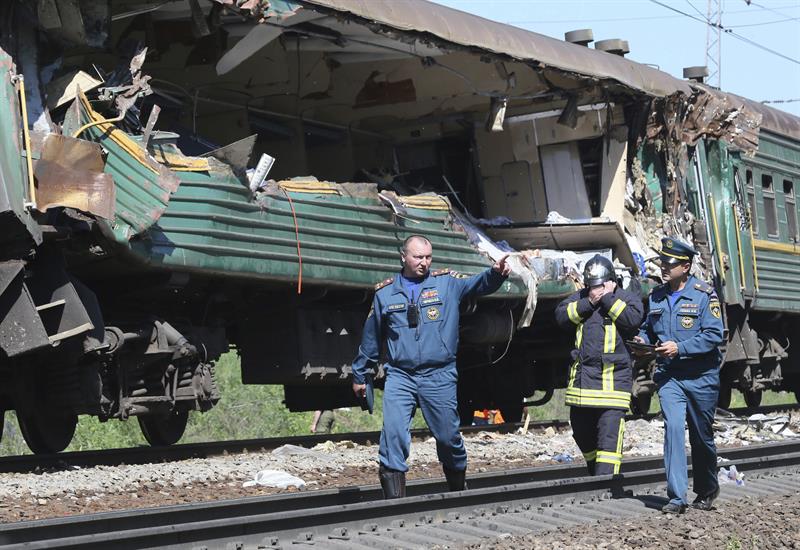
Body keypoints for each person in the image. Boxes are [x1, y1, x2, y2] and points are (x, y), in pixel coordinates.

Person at [351, 235, 511, 499]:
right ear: (403, 257)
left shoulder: (446, 283)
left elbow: (477, 284)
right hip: (400, 375)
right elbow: (371, 337)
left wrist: (496, 274)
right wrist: (360, 374)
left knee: (448, 439)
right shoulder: (385, 293)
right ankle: (394, 507)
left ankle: (458, 491)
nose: (424, 263)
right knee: (392, 437)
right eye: (418, 257)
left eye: (428, 257)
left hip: (439, 374)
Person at [634, 237, 724, 514]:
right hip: (670, 376)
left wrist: (680, 347)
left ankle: (708, 488)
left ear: (685, 267)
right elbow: (651, 328)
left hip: (701, 377)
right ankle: (676, 497)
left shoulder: (704, 294)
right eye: (662, 261)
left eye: (669, 263)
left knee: (701, 436)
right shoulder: (656, 296)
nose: (663, 266)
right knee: (673, 428)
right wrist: (641, 339)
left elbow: (713, 334)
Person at [555, 254, 644, 476]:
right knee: (582, 434)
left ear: (610, 282)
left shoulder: (627, 298)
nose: (595, 289)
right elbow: (561, 316)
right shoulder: (581, 299)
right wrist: (589, 302)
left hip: (613, 386)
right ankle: (594, 472)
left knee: (608, 442)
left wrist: (607, 299)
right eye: (591, 286)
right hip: (582, 388)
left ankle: (605, 485)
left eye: (599, 286)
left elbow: (632, 320)